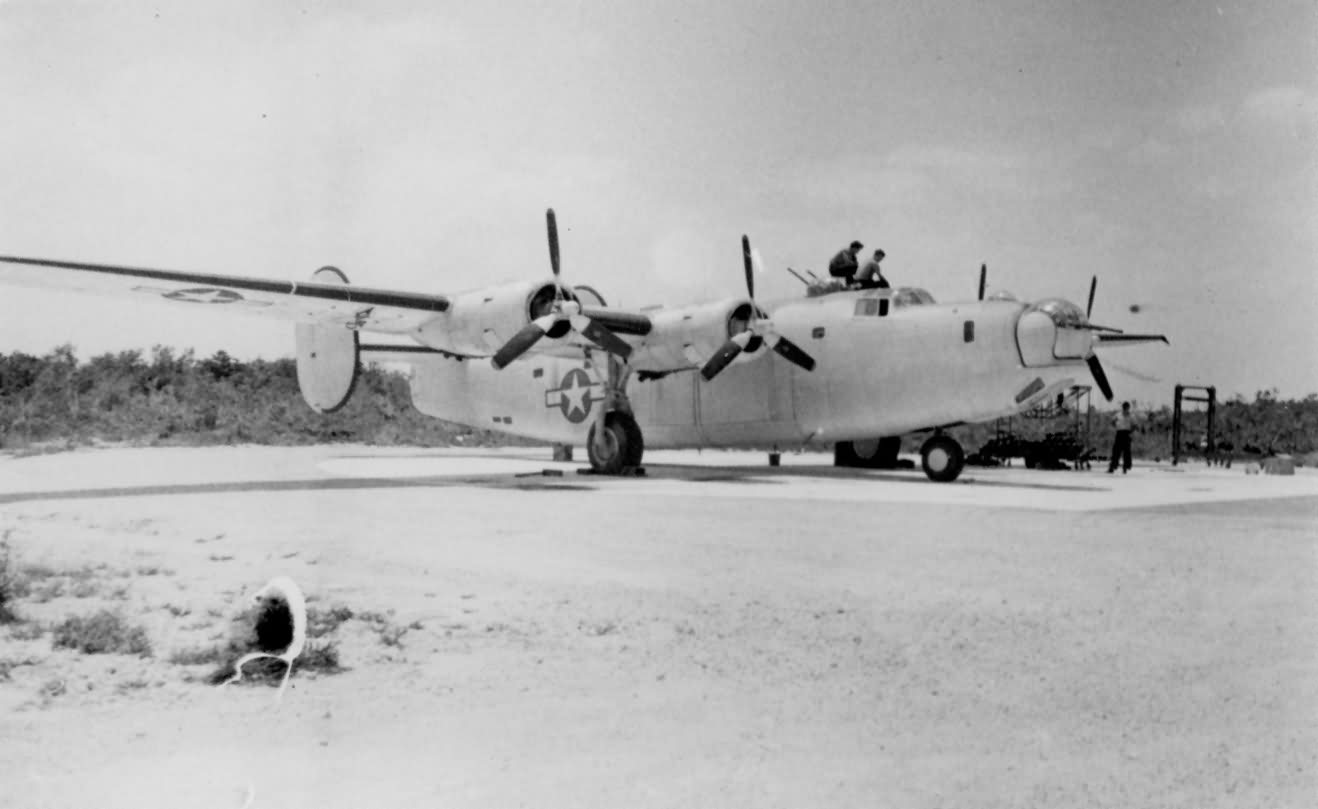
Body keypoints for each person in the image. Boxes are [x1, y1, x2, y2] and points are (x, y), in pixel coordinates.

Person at [1107, 401, 1134, 474]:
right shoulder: (1118, 415)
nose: (1126, 409)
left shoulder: (1131, 416)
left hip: (1126, 433)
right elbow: (1112, 422)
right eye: (1125, 407)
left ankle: (1126, 466)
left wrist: (1131, 431)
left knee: (1127, 451)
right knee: (1116, 451)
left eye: (1127, 408)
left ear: (1128, 408)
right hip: (1119, 433)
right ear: (1123, 408)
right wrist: (1116, 426)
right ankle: (1112, 466)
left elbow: (1134, 425)